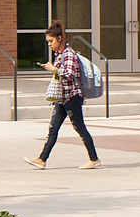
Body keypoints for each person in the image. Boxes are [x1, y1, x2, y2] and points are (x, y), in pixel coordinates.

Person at [26, 22, 101, 169]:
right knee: (53, 128)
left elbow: (69, 74)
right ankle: (42, 159)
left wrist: (53, 69)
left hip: (72, 97)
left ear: (59, 39)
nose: (49, 45)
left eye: (51, 41)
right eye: (48, 42)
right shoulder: (60, 54)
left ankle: (94, 159)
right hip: (62, 97)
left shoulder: (68, 54)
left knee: (79, 127)